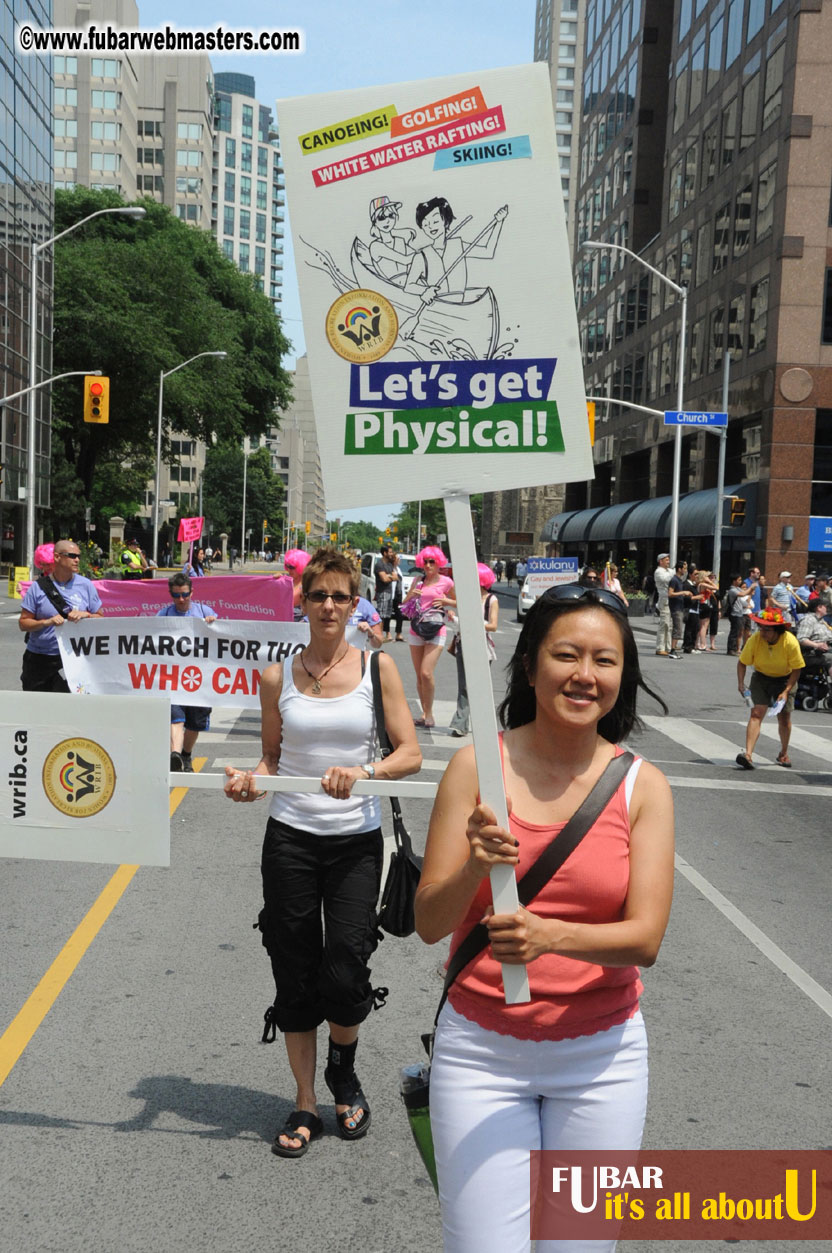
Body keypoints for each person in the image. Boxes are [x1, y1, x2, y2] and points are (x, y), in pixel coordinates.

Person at [415, 582, 674, 1252]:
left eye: (604, 660)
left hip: (602, 1059)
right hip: (480, 1053)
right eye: (566, 655)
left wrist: (547, 935)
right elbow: (429, 921)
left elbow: (645, 938)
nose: (585, 674)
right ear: (530, 667)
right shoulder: (477, 767)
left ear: (622, 676)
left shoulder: (642, 786)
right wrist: (474, 868)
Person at [223, 548, 421, 1158]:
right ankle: (306, 1099)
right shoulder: (276, 676)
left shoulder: (377, 668)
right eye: (318, 596)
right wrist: (249, 781)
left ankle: (344, 1068)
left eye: (340, 596)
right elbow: (271, 759)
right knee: (294, 967)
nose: (329, 606)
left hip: (355, 842)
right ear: (302, 603)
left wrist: (364, 772)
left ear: (355, 604)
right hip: (290, 838)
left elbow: (409, 753)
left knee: (346, 966)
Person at [19, 540, 103, 692]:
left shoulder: (86, 585)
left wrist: (86, 615)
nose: (77, 560)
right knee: (37, 703)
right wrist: (46, 622)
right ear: (57, 557)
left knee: (72, 704)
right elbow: (23, 623)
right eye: (72, 556)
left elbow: (101, 618)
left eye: (78, 556)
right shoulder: (38, 587)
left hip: (75, 656)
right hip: (41, 658)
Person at [157, 573, 217, 772]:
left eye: (184, 594)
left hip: (199, 677)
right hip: (172, 677)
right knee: (176, 718)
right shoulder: (163, 615)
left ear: (192, 592)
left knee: (195, 723)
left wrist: (214, 623)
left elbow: (222, 638)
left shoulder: (204, 611)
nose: (181, 599)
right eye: (176, 595)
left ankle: (185, 754)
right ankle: (174, 755)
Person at [735, 607, 805, 770]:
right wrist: (741, 683)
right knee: (756, 713)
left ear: (777, 630)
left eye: (767, 630)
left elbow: (797, 669)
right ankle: (748, 754)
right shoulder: (755, 639)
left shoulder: (790, 642)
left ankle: (783, 752)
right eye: (761, 628)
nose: (762, 632)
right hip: (761, 678)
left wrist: (786, 691)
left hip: (785, 679)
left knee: (784, 718)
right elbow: (742, 662)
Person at [402, 546, 455, 728]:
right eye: (425, 562)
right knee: (419, 676)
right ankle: (424, 713)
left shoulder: (446, 582)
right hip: (417, 629)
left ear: (439, 563)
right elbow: (403, 604)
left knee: (426, 672)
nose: (428, 565)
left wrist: (446, 602)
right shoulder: (418, 580)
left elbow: (460, 601)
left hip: (436, 629)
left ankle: (430, 713)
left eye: (432, 561)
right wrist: (411, 595)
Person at [448, 563, 500, 738]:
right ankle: (460, 724)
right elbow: (461, 621)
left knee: (479, 687)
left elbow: (493, 625)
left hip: (481, 645)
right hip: (463, 642)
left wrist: (473, 623)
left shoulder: (491, 600)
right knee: (463, 686)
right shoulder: (466, 598)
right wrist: (454, 618)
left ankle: (483, 724)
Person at [796, 600, 832, 672]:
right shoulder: (808, 620)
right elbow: (801, 639)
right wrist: (817, 645)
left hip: (828, 648)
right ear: (819, 608)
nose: (827, 609)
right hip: (813, 654)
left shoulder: (821, 621)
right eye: (825, 607)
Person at [723, 573, 751, 656]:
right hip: (734, 613)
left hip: (739, 613)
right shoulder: (732, 590)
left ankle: (734, 648)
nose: (740, 581)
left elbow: (746, 593)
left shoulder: (738, 588)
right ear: (734, 581)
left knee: (738, 631)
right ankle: (731, 649)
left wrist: (751, 589)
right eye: (739, 580)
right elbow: (742, 594)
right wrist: (751, 588)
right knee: (734, 632)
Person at [374, 543, 396, 641]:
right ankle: (379, 635)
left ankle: (385, 634)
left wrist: (389, 576)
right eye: (390, 552)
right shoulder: (379, 564)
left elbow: (395, 577)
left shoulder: (390, 565)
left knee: (387, 615)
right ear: (384, 553)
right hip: (382, 592)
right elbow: (384, 579)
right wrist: (389, 577)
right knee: (381, 615)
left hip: (389, 592)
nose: (392, 554)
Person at [284, 548, 312, 620]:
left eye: (292, 567)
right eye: (287, 566)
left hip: (299, 621)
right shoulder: (286, 580)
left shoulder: (308, 584)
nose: (289, 570)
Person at [653, 553, 673, 656]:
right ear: (660, 561)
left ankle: (668, 647)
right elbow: (667, 579)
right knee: (664, 624)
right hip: (664, 600)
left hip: (671, 600)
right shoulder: (658, 572)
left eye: (668, 560)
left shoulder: (669, 571)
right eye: (666, 560)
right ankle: (660, 647)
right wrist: (675, 572)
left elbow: (680, 579)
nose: (668, 562)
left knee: (669, 625)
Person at [695, 571, 719, 651]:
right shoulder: (703, 584)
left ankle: (697, 643)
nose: (708, 578)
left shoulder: (700, 584)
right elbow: (716, 588)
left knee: (701, 626)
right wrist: (710, 582)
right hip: (704, 605)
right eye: (707, 576)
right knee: (704, 626)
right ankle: (703, 644)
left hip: (703, 605)